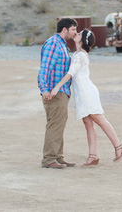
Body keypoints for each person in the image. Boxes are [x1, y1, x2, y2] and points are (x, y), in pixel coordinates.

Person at [50, 29, 122, 166]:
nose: (76, 34)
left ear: (83, 39)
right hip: (81, 93)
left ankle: (119, 146)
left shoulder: (80, 55)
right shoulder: (77, 53)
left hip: (87, 92)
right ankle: (93, 156)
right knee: (88, 123)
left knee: (99, 119)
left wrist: (56, 87)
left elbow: (70, 73)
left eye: (79, 34)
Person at [38, 17, 78, 169]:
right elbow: (44, 68)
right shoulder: (53, 43)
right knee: (55, 125)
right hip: (54, 93)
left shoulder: (61, 44)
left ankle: (58, 157)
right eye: (73, 29)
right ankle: (49, 159)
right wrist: (44, 90)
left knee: (59, 124)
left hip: (62, 92)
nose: (75, 32)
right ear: (65, 29)